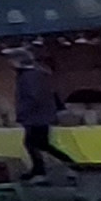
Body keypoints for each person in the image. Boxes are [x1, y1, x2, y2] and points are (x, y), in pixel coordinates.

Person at [13, 49, 81, 186]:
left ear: (19, 61)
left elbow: (33, 97)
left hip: (35, 117)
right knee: (40, 144)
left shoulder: (28, 76)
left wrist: (22, 113)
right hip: (41, 115)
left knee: (34, 144)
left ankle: (42, 172)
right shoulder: (39, 74)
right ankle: (64, 167)